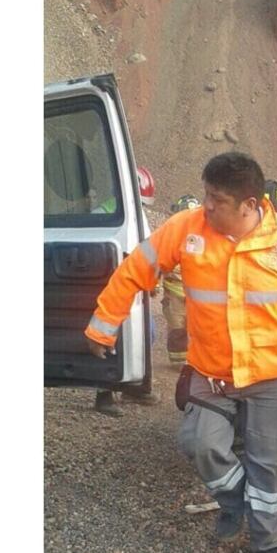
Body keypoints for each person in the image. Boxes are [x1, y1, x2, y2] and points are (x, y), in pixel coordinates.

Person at [84, 152, 277, 553]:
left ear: (249, 205)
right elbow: (134, 270)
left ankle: (269, 544)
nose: (207, 205)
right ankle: (235, 503)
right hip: (210, 371)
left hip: (269, 375)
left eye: (217, 199)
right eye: (206, 194)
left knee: (270, 464)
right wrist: (103, 326)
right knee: (200, 444)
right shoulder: (186, 228)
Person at [93, 165, 159, 416]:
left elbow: (149, 252)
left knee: (146, 333)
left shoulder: (135, 216)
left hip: (133, 289)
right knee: (107, 339)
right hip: (111, 290)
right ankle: (104, 393)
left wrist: (152, 283)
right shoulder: (103, 215)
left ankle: (134, 385)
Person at [160, 194, 200, 363]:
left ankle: (196, 359)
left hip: (195, 294)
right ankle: (178, 359)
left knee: (198, 327)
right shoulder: (170, 236)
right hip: (174, 293)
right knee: (177, 326)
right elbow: (156, 261)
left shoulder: (201, 239)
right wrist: (154, 284)